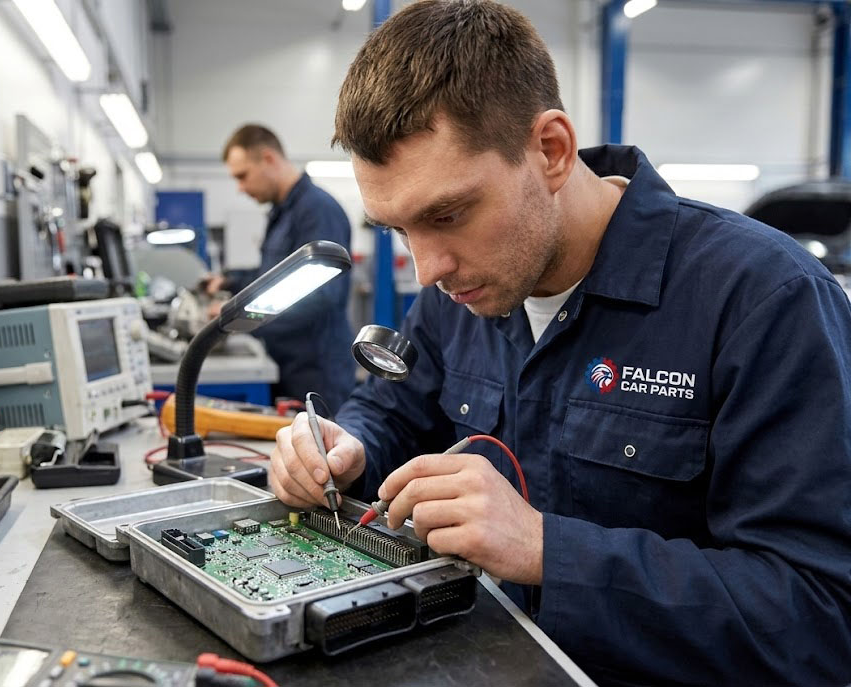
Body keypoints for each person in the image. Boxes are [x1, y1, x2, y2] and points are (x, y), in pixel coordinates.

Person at [268, 2, 851, 685]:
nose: (426, 269)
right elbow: (397, 408)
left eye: (448, 214)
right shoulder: (458, 293)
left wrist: (548, 549)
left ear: (550, 149)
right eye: (398, 229)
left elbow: (819, 615)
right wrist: (345, 444)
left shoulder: (763, 299)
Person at [206, 124, 355, 413]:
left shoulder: (317, 211)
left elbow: (324, 296)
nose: (240, 188)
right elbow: (273, 280)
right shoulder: (282, 213)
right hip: (287, 361)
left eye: (242, 176)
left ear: (269, 159)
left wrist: (243, 317)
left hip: (315, 372)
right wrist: (230, 284)